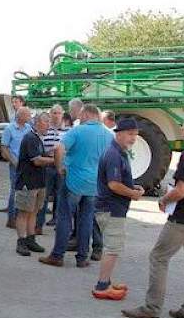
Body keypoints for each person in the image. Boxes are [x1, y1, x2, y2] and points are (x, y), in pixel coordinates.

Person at [122, 117, 184, 318]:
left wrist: (164, 199)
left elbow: (182, 190)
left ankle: (152, 307)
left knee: (159, 257)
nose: (182, 130)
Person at [39, 104, 112, 268]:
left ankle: (57, 255)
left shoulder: (78, 130)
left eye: (80, 115)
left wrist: (59, 168)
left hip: (74, 181)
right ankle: (82, 257)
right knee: (86, 219)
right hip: (94, 185)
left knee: (64, 217)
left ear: (86, 114)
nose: (79, 118)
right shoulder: (109, 135)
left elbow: (59, 149)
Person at [92, 118, 145, 300]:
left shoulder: (118, 151)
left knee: (112, 246)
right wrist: (132, 193)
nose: (133, 138)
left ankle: (106, 282)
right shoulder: (114, 154)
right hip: (112, 208)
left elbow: (118, 181)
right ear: (119, 134)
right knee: (112, 247)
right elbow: (114, 184)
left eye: (135, 135)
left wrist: (133, 186)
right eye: (130, 134)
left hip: (112, 207)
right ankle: (102, 286)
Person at [14, 113, 54, 256]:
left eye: (49, 122)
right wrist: (55, 160)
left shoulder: (37, 138)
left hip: (38, 182)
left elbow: (39, 157)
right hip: (27, 182)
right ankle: (21, 241)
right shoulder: (30, 138)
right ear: (37, 122)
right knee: (24, 212)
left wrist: (49, 155)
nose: (49, 125)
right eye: (46, 121)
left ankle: (30, 239)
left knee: (34, 212)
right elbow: (36, 160)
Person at [0, 107, 32, 229]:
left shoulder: (29, 128)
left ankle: (20, 217)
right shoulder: (9, 129)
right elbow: (4, 148)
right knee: (15, 191)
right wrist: (14, 162)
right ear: (20, 116)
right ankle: (11, 219)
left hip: (27, 165)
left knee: (24, 191)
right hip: (16, 165)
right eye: (28, 115)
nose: (30, 117)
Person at [36, 104, 65, 232]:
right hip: (47, 166)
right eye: (54, 113)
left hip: (62, 167)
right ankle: (38, 224)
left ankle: (58, 223)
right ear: (50, 114)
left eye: (59, 113)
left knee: (61, 195)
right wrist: (50, 151)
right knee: (44, 195)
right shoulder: (45, 130)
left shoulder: (69, 130)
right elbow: (39, 146)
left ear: (62, 115)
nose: (56, 115)